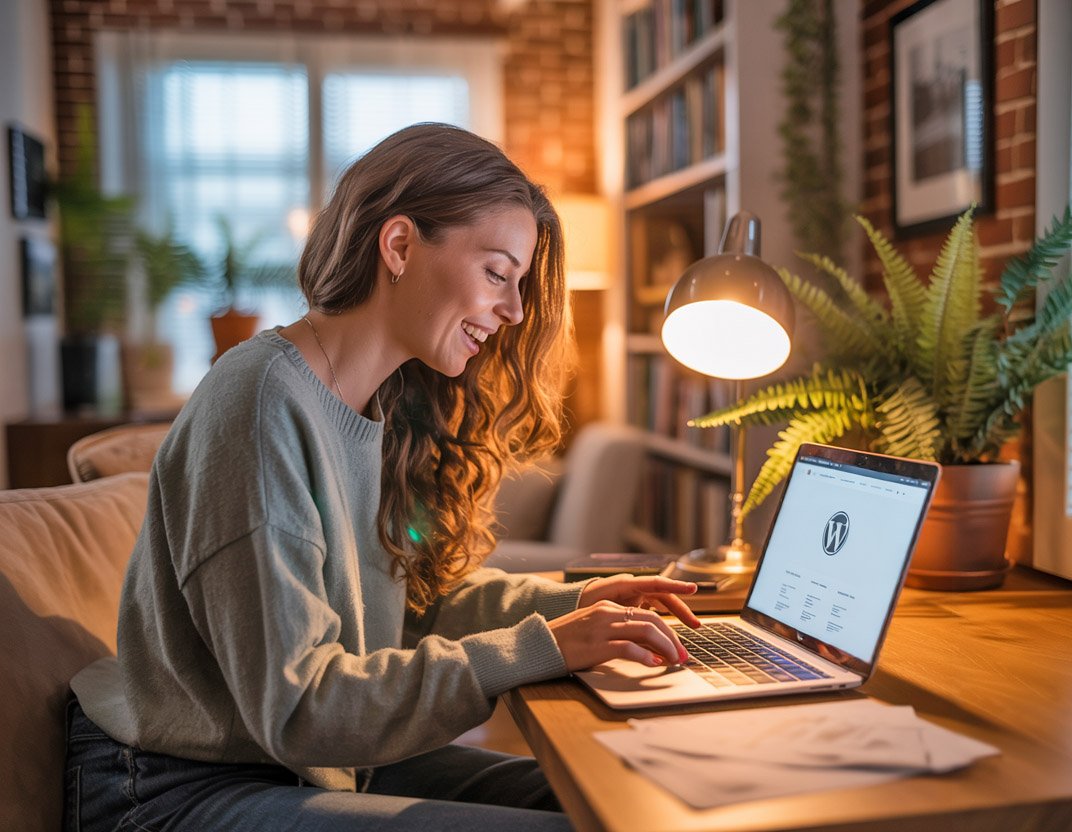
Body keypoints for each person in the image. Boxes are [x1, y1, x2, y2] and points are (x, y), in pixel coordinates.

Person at [64, 123, 699, 831]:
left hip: (305, 760)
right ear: (398, 245)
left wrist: (566, 607)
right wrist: (541, 649)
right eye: (497, 273)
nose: (515, 311)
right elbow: (298, 707)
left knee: (622, 804)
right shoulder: (258, 401)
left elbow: (414, 605)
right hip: (176, 783)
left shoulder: (388, 405)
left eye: (518, 284)